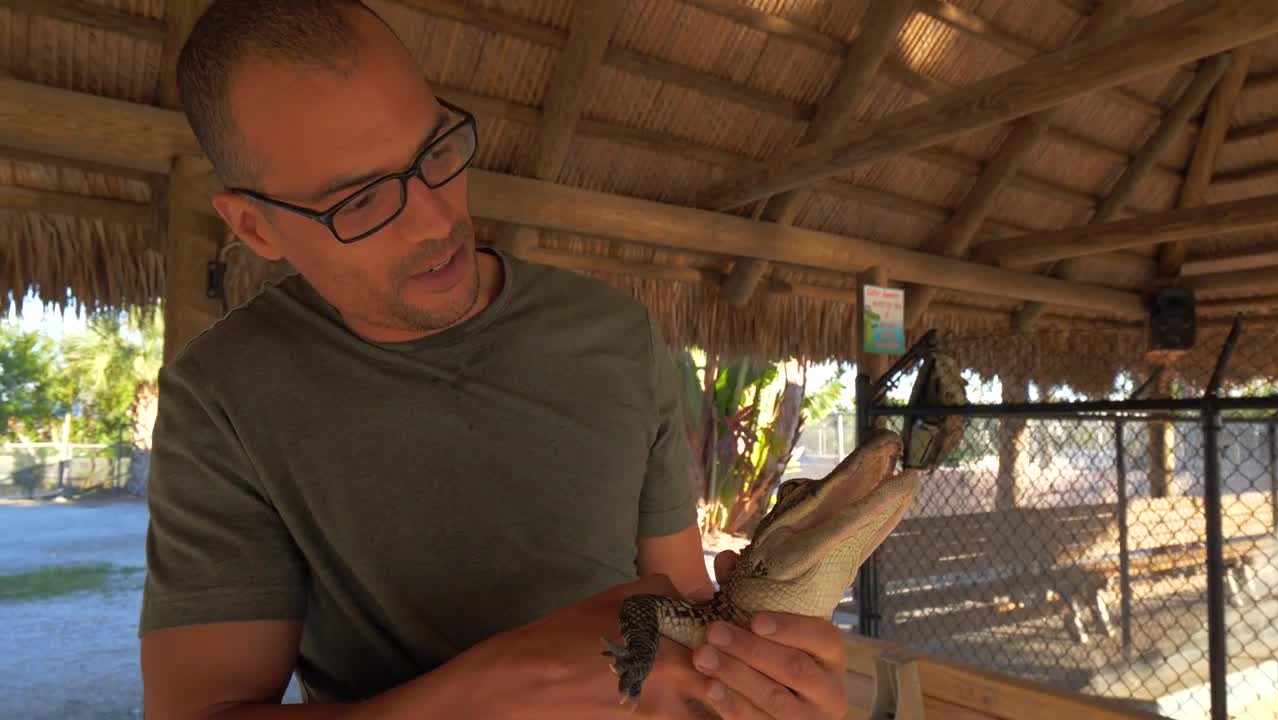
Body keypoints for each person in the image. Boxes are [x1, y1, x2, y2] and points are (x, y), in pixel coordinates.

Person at [138, 1, 851, 718]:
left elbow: (681, 598)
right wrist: (484, 692)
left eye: (435, 153)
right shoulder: (225, 394)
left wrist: (755, 682)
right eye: (357, 201)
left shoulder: (612, 333)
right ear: (256, 226)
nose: (437, 219)